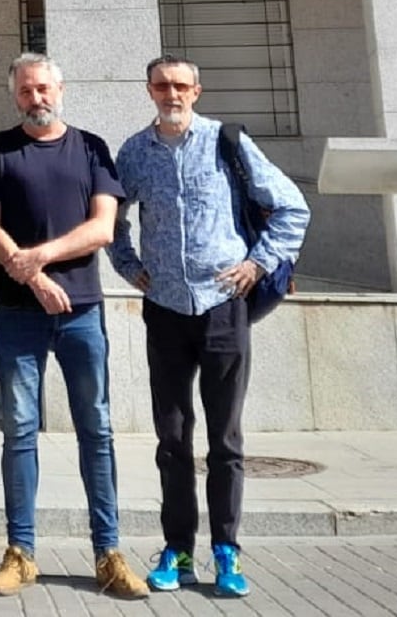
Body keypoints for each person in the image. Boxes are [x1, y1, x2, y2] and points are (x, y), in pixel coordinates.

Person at [108, 55, 311, 600]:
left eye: (180, 85)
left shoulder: (227, 142)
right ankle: (177, 549)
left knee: (225, 439)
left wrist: (258, 263)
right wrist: (128, 266)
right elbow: (111, 217)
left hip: (223, 306)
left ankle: (226, 550)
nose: (170, 94)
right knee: (172, 438)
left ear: (196, 90)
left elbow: (292, 207)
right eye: (161, 85)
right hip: (167, 309)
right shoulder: (134, 152)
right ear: (148, 90)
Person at [0, 53, 147, 601]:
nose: (35, 98)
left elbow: (102, 227)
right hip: (19, 314)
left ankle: (108, 552)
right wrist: (35, 278)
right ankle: (20, 553)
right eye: (25, 91)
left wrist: (36, 258)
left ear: (60, 89)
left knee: (97, 429)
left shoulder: (91, 148)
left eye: (43, 88)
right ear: (15, 95)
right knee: (19, 431)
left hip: (83, 312)